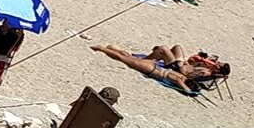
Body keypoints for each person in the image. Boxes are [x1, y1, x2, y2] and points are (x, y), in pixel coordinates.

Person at [92, 44, 228, 94]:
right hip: (157, 70)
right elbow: (191, 63)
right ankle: (110, 49)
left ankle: (104, 49)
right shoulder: (181, 79)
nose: (217, 62)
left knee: (128, 59)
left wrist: (188, 88)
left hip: (163, 68)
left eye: (219, 64)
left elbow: (185, 79)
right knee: (129, 60)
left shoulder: (188, 76)